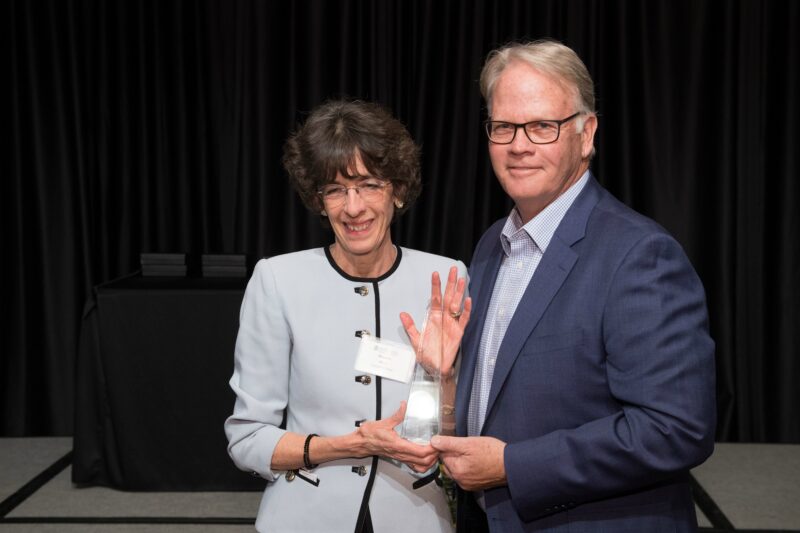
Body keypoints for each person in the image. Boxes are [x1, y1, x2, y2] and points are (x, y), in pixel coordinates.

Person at [428, 40, 717, 532]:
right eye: (503, 127)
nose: (519, 145)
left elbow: (676, 430)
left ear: (587, 134)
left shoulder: (639, 254)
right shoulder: (490, 247)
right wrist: (443, 395)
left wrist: (511, 466)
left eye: (542, 126)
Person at [224, 99, 469, 533]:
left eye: (369, 184)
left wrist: (443, 376)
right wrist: (345, 445)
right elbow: (247, 439)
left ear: (396, 189)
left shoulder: (445, 278)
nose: (352, 208)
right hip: (304, 518)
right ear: (319, 200)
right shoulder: (278, 280)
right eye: (336, 190)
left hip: (414, 519)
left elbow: (454, 429)